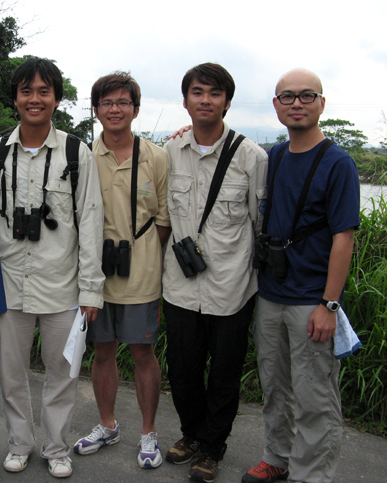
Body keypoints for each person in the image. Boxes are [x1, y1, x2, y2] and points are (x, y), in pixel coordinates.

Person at [0, 57, 105, 479]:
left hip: (62, 285)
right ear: (15, 98)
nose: (34, 99)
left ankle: (56, 447)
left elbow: (91, 222)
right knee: (11, 374)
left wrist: (91, 290)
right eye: (26, 91)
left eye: (43, 91)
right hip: (8, 283)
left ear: (56, 98)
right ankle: (19, 443)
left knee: (62, 373)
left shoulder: (75, 152)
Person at [242, 69, 359, 483]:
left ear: (322, 103)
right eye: (287, 96)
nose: (297, 103)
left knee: (314, 395)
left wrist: (329, 304)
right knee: (274, 386)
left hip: (312, 298)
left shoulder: (338, 163)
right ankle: (277, 456)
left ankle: (311, 475)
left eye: (307, 95)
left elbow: (344, 238)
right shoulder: (272, 157)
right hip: (271, 292)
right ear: (276, 105)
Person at [161, 63, 267, 483]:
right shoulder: (170, 150)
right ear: (186, 100)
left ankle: (211, 447)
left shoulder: (252, 156)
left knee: (224, 374)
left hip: (232, 287)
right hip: (180, 286)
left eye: (215, 93)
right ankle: (191, 434)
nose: (205, 100)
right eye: (198, 92)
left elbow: (260, 223)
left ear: (227, 102)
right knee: (182, 370)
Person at [73, 72, 170, 469]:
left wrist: (142, 253)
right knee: (102, 352)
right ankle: (107, 424)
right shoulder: (83, 157)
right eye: (107, 103)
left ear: (136, 109)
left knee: (143, 352)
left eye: (123, 102)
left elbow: (163, 220)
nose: (115, 109)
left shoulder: (156, 157)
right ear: (95, 110)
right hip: (95, 275)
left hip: (141, 273)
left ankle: (148, 432)